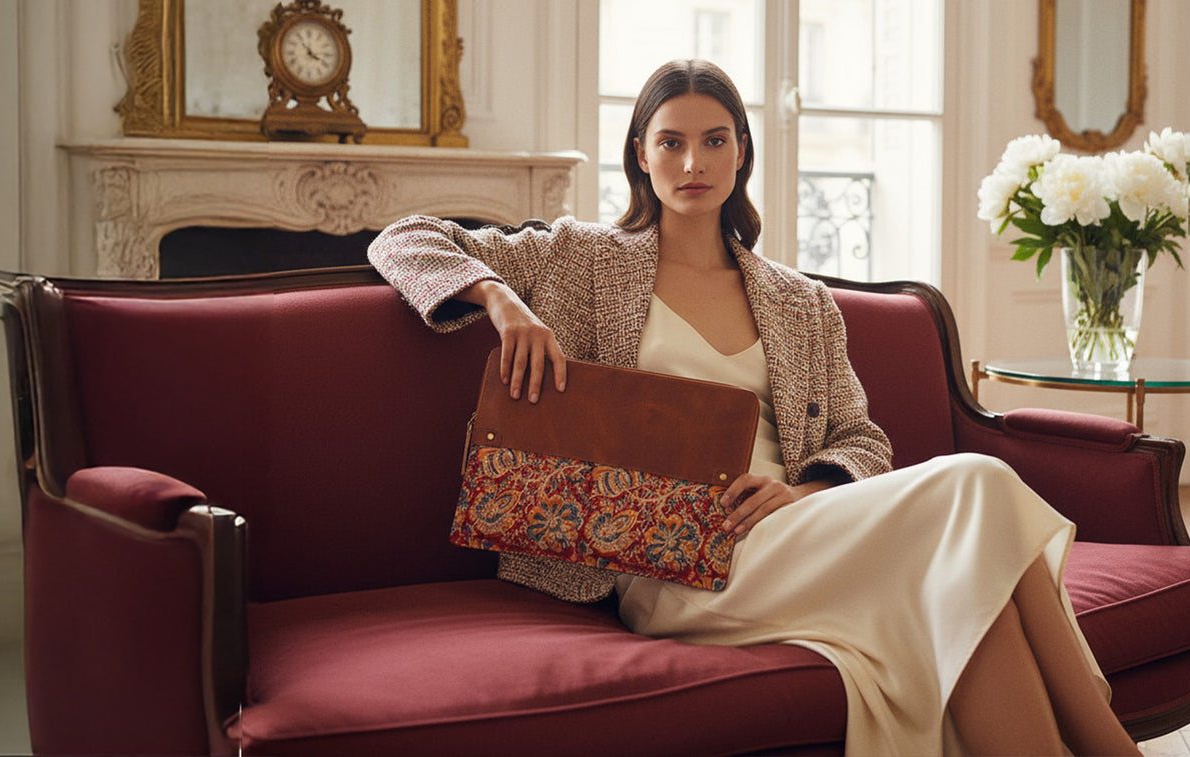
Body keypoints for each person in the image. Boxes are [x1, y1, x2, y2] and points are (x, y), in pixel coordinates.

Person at [369, 59, 1140, 757]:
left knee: (978, 597)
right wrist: (503, 302)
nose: (693, 163)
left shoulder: (800, 301)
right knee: (979, 482)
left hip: (796, 527)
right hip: (672, 561)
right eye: (670, 143)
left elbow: (860, 436)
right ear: (640, 152)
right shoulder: (580, 257)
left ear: (742, 151)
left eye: (713, 141)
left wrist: (805, 490)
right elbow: (405, 237)